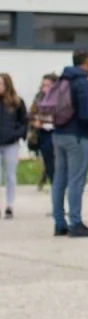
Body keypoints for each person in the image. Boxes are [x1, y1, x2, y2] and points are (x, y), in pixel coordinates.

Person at [48, 49, 88, 238]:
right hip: (77, 135)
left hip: (58, 133)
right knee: (76, 179)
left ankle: (59, 222)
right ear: (87, 60)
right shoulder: (82, 81)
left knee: (59, 179)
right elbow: (85, 113)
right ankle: (75, 222)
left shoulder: (63, 79)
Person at [0, 73, 29, 219]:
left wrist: (18, 134)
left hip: (10, 142)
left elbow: (24, 121)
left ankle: (9, 205)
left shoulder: (16, 102)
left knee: (10, 175)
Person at [28, 73, 58, 192]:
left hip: (58, 132)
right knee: (48, 161)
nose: (44, 88)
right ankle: (54, 184)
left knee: (59, 162)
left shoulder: (61, 99)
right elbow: (30, 114)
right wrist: (34, 121)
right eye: (43, 85)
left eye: (48, 85)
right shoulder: (39, 97)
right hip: (44, 133)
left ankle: (58, 184)